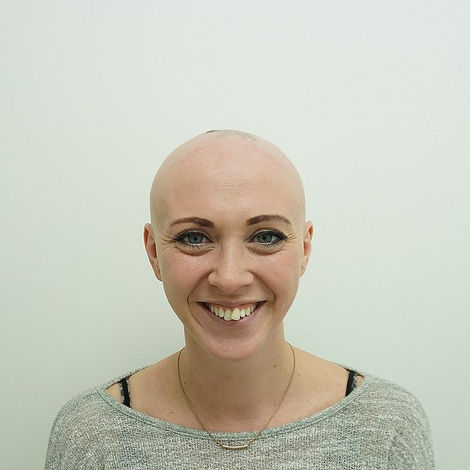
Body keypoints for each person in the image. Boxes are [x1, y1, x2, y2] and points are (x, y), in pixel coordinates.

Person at [45, 130, 434, 469]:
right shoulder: (91, 436)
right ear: (153, 253)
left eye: (266, 237)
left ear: (304, 249)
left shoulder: (387, 428)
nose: (230, 278)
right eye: (194, 238)